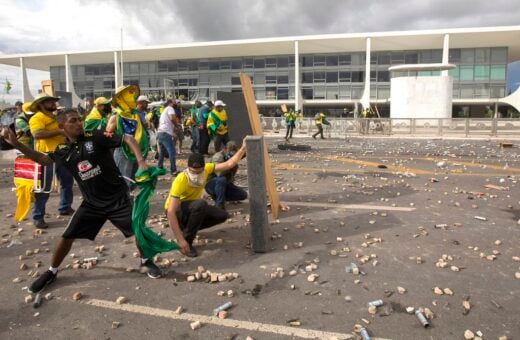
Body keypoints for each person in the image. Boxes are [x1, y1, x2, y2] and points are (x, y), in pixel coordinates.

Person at [1, 109, 173, 292]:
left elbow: (128, 139)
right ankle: (52, 271)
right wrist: (17, 144)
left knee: (138, 230)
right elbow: (42, 159)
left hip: (118, 199)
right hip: (92, 204)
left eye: (79, 120)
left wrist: (141, 162)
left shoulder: (96, 136)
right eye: (72, 121)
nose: (78, 123)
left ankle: (146, 261)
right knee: (67, 236)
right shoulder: (63, 150)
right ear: (61, 127)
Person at [165, 146, 246, 257]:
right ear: (188, 168)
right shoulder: (180, 180)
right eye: (193, 172)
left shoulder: (207, 168)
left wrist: (243, 148)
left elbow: (228, 164)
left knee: (222, 215)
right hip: (178, 211)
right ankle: (187, 241)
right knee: (200, 204)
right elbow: (170, 211)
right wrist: (180, 240)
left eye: (199, 172)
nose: (196, 175)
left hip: (193, 207)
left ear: (204, 168)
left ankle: (188, 228)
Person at [29, 94, 74, 229]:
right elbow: (37, 134)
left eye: (54, 101)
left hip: (61, 154)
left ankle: (65, 207)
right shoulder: (37, 118)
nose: (54, 103)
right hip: (45, 156)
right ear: (41, 104)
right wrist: (59, 132)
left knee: (67, 181)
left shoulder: (54, 117)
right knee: (43, 188)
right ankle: (38, 216)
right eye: (50, 101)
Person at [107, 85, 149, 188]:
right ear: (121, 98)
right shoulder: (116, 116)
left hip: (137, 151)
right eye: (127, 95)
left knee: (132, 180)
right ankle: (123, 201)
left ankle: (128, 199)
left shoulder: (135, 114)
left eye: (131, 95)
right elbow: (108, 134)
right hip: (123, 151)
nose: (131, 97)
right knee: (123, 180)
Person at [205, 141, 247, 210]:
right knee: (221, 179)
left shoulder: (231, 156)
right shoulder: (218, 157)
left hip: (225, 184)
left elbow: (240, 156)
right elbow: (219, 173)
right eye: (231, 151)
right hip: (212, 184)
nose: (232, 154)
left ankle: (220, 196)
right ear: (225, 149)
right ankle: (219, 206)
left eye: (234, 152)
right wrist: (230, 164)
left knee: (243, 195)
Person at [156, 99, 179, 175]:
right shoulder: (170, 108)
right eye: (174, 102)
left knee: (162, 152)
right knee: (172, 151)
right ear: (170, 103)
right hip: (165, 133)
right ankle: (173, 170)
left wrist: (172, 133)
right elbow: (172, 118)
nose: (176, 103)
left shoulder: (164, 110)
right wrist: (177, 125)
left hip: (160, 132)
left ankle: (159, 167)